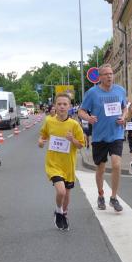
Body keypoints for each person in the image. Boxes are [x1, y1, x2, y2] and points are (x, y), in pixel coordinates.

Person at [78, 63, 127, 212]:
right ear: (100, 77)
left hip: (116, 134)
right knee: (101, 168)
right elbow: (81, 111)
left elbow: (125, 107)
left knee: (116, 164)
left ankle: (114, 197)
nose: (109, 76)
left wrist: (123, 117)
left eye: (111, 74)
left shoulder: (120, 90)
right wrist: (88, 118)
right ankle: (100, 195)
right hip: (99, 136)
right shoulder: (92, 93)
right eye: (106, 74)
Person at [39, 93, 85, 231]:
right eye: (59, 104)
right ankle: (59, 211)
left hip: (68, 165)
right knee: (61, 191)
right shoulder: (49, 121)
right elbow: (43, 136)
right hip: (53, 164)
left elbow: (81, 145)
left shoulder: (74, 125)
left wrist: (72, 140)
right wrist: (40, 142)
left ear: (69, 106)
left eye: (65, 104)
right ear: (55, 105)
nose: (62, 107)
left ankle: (63, 213)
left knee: (67, 194)